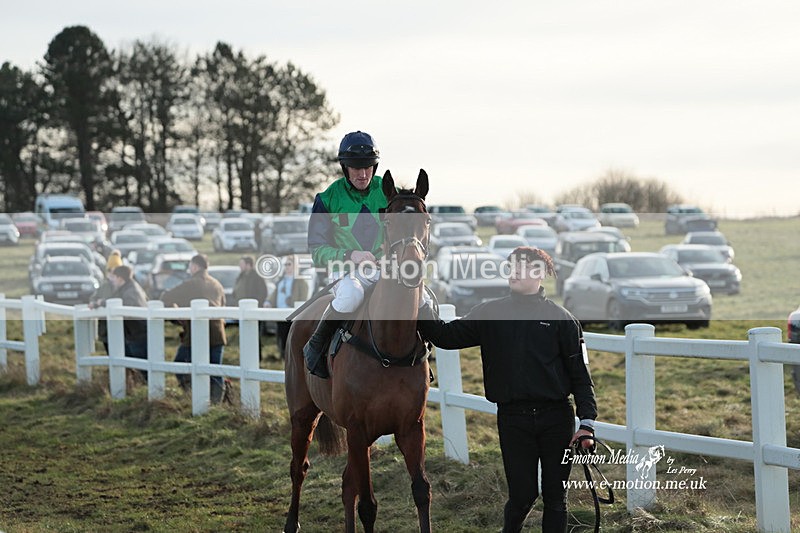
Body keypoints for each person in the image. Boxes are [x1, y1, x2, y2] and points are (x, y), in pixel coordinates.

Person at [417, 246, 597, 533]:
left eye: (523, 267)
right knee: (522, 495)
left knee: (555, 497)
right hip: (514, 419)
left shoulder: (563, 319)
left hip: (557, 419)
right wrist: (419, 301)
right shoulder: (491, 311)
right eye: (511, 266)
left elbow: (580, 376)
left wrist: (586, 423)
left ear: (540, 274)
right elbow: (445, 336)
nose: (514, 272)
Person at [303, 130, 387, 377]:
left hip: (385, 268)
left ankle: (422, 353)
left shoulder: (387, 190)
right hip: (345, 273)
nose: (362, 174)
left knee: (422, 297)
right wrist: (350, 256)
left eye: (368, 168)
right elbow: (316, 249)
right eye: (355, 168)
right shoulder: (327, 198)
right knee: (351, 296)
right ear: (344, 167)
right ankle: (316, 346)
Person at [160, 254, 227, 402]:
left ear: (195, 266)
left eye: (190, 266)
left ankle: (193, 395)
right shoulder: (217, 284)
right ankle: (216, 403)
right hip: (217, 333)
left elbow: (166, 296)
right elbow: (223, 306)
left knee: (180, 364)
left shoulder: (191, 283)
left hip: (196, 334)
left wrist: (176, 311)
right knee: (215, 370)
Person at [108, 265, 149, 380]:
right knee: (139, 365)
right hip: (137, 332)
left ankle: (146, 390)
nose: (113, 280)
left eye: (114, 277)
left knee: (142, 366)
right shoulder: (131, 287)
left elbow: (125, 309)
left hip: (137, 332)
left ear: (120, 278)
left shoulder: (130, 291)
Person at [265, 256, 308, 358]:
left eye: (289, 264)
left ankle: (292, 357)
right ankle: (282, 356)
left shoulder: (301, 281)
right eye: (285, 265)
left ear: (295, 266)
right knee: (281, 336)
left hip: (293, 315)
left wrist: (295, 303)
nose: (287, 267)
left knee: (292, 337)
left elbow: (304, 297)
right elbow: (275, 293)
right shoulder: (281, 280)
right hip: (280, 313)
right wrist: (268, 301)